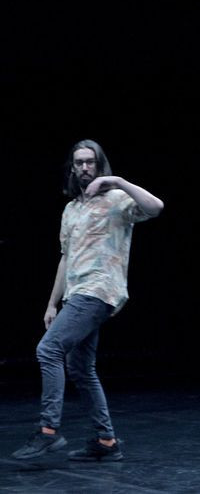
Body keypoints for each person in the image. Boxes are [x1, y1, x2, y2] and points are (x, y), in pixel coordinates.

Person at [12, 139, 164, 461]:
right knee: (80, 367)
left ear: (99, 165)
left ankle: (48, 430)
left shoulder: (117, 200)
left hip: (100, 290)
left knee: (49, 349)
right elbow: (65, 258)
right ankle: (106, 441)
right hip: (76, 293)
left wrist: (118, 181)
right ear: (72, 168)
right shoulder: (70, 210)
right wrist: (52, 303)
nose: (84, 167)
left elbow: (156, 207)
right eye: (79, 162)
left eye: (90, 162)